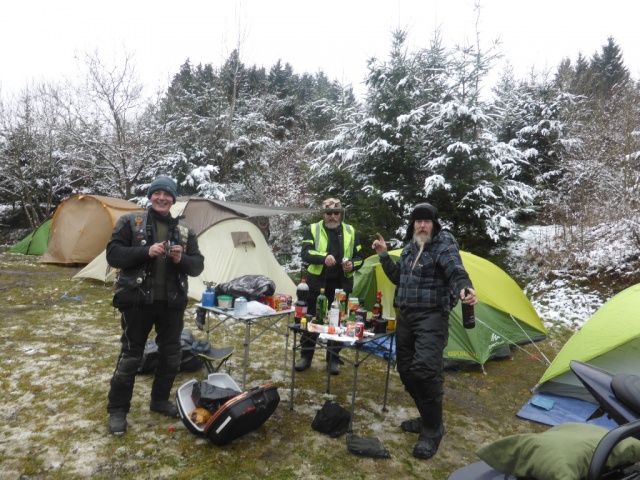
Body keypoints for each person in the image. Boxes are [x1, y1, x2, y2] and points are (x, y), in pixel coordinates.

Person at [371, 202, 477, 460]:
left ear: (434, 224)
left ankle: (432, 430)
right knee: (407, 371)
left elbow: (455, 270)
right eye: (417, 221)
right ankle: (430, 419)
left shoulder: (443, 245)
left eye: (426, 221)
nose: (421, 225)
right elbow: (400, 278)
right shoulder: (410, 247)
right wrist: (385, 255)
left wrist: (464, 287)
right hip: (406, 315)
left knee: (425, 371)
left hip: (431, 316)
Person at [106, 175, 204, 435]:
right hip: (136, 301)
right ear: (150, 196)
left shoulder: (185, 231)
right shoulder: (130, 221)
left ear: (173, 199)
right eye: (157, 193)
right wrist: (145, 252)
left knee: (171, 356)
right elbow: (113, 254)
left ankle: (159, 401)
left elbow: (197, 267)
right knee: (130, 357)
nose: (162, 198)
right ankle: (117, 411)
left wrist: (181, 259)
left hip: (171, 304)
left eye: (167, 194)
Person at [295, 198, 364, 375]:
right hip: (318, 283)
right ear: (323, 214)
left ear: (340, 214)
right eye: (328, 213)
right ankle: (306, 357)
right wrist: (323, 257)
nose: (332, 216)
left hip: (341, 284)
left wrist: (353, 265)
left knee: (338, 322)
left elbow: (360, 257)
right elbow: (305, 253)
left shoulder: (351, 231)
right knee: (312, 319)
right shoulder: (312, 229)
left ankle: (333, 358)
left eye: (336, 213)